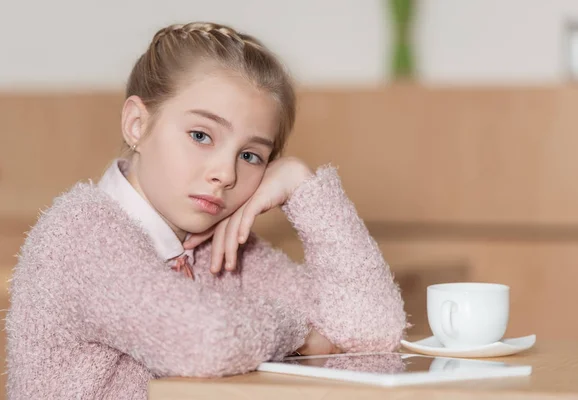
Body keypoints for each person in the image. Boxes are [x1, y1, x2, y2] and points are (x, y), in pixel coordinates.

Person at [6, 22, 408, 399]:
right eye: (201, 135)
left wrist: (303, 187)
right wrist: (300, 331)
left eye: (251, 155)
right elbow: (202, 343)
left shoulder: (227, 249)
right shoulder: (82, 232)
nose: (224, 174)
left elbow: (372, 332)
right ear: (136, 124)